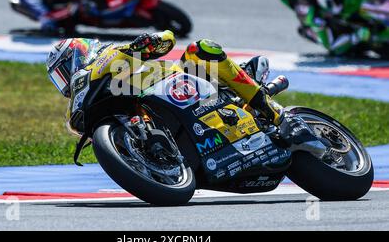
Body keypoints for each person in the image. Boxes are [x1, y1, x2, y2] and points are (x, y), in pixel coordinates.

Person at [46, 31, 316, 148]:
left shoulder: (114, 55)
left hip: (185, 81)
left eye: (62, 71)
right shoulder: (82, 104)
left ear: (77, 55)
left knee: (202, 48)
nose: (64, 82)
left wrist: (147, 44)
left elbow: (167, 39)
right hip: (169, 123)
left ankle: (280, 115)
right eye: (59, 80)